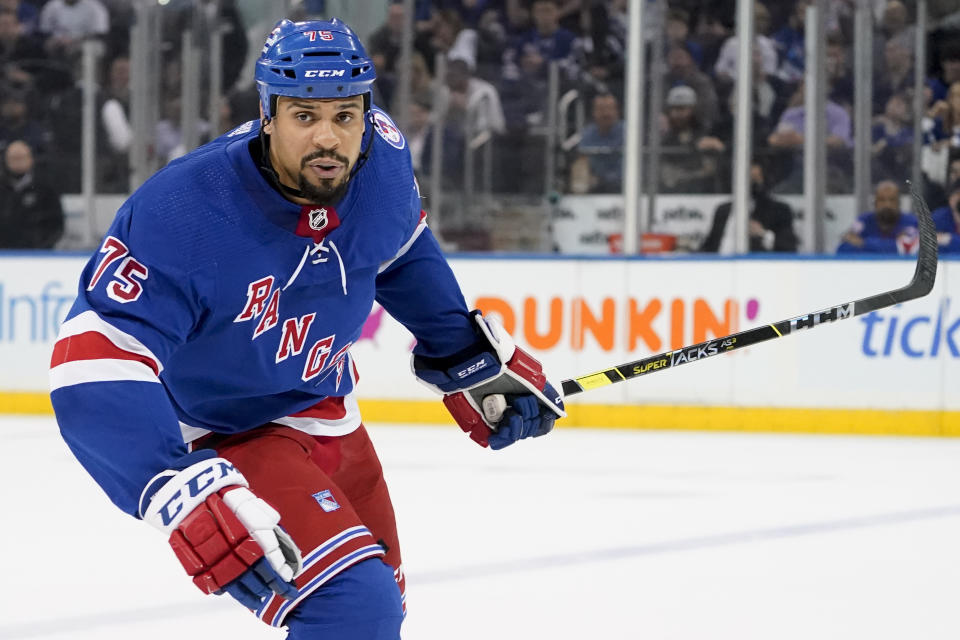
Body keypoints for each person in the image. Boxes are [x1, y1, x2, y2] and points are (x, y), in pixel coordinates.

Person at [48, 18, 565, 640]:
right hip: (229, 433)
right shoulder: (183, 210)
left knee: (379, 614)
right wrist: (168, 485)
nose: (329, 138)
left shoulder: (382, 159)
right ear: (267, 114)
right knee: (351, 610)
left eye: (345, 116)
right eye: (304, 116)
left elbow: (397, 250)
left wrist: (464, 354)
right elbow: (94, 360)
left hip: (329, 410)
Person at [700, 162, 798, 252]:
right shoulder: (723, 210)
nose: (748, 185)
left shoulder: (779, 210)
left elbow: (789, 247)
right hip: (717, 267)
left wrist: (763, 234)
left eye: (754, 180)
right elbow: (709, 247)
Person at [0, 139, 63, 248]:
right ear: (6, 160)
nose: (18, 161)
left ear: (31, 159)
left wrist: (41, 247)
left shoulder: (45, 188)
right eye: (14, 158)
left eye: (22, 157)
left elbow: (56, 224)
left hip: (36, 255)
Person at [837, 180, 919, 253]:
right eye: (882, 200)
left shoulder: (911, 222)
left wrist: (863, 243)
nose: (887, 205)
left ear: (899, 203)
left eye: (892, 200)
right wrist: (894, 244)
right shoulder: (864, 221)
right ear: (875, 202)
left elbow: (911, 250)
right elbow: (843, 248)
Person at [932, 178, 960, 253]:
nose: (958, 198)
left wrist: (950, 239)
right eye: (956, 194)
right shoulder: (938, 217)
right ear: (950, 198)